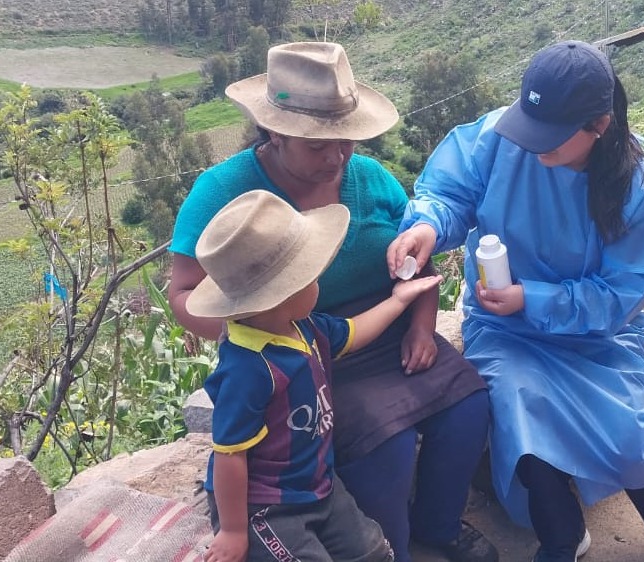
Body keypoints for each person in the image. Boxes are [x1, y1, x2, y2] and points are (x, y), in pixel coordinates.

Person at [387, 40, 644, 562]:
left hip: (597, 332)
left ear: (599, 125)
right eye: (529, 126)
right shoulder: (500, 138)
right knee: (519, 408)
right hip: (504, 328)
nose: (532, 145)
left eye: (551, 136)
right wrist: (428, 225)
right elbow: (450, 193)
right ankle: (562, 534)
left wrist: (532, 297)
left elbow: (621, 293)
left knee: (625, 431)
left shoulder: (635, 185)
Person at [168, 42, 497, 562]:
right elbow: (184, 293)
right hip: (302, 353)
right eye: (317, 145)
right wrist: (258, 331)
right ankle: (392, 547)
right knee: (383, 446)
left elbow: (418, 261)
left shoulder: (371, 179)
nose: (336, 157)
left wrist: (420, 327)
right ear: (275, 133)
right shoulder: (223, 191)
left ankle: (439, 526)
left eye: (345, 140)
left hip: (382, 327)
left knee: (469, 405)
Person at [191, 190, 444, 562]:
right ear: (282, 296)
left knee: (374, 552)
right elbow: (230, 454)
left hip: (316, 485)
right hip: (266, 504)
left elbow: (353, 333)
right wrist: (233, 530)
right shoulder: (248, 370)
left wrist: (398, 300)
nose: (319, 282)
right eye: (311, 276)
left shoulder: (304, 327)